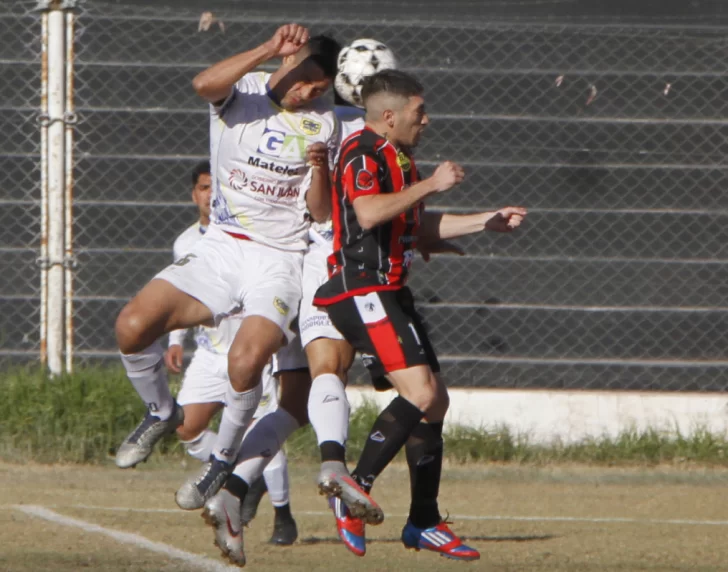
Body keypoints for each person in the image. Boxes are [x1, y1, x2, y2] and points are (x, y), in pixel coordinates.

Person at [113, 24, 341, 519]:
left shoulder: (323, 125)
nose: (307, 94)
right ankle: (160, 411)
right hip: (221, 247)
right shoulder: (248, 92)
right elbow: (203, 85)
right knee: (131, 327)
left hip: (278, 258)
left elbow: (320, 213)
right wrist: (266, 49)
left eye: (319, 90)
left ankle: (221, 461)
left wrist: (320, 169)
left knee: (246, 361)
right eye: (304, 81)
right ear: (287, 61)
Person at [313, 69, 527, 561]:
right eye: (418, 113)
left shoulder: (399, 157)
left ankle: (423, 521)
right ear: (389, 117)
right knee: (421, 391)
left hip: (390, 292)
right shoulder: (362, 152)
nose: (426, 120)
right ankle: (353, 490)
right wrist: (432, 183)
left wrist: (484, 222)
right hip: (361, 290)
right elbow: (368, 213)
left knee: (434, 404)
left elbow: (414, 222)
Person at [161, 161, 298, 546]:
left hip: (250, 349)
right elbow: (185, 294)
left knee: (261, 429)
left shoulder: (250, 236)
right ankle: (238, 471)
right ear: (194, 194)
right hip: (210, 352)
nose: (209, 194)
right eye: (203, 188)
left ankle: (284, 517)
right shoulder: (187, 243)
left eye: (214, 187)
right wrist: (175, 341)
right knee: (185, 426)